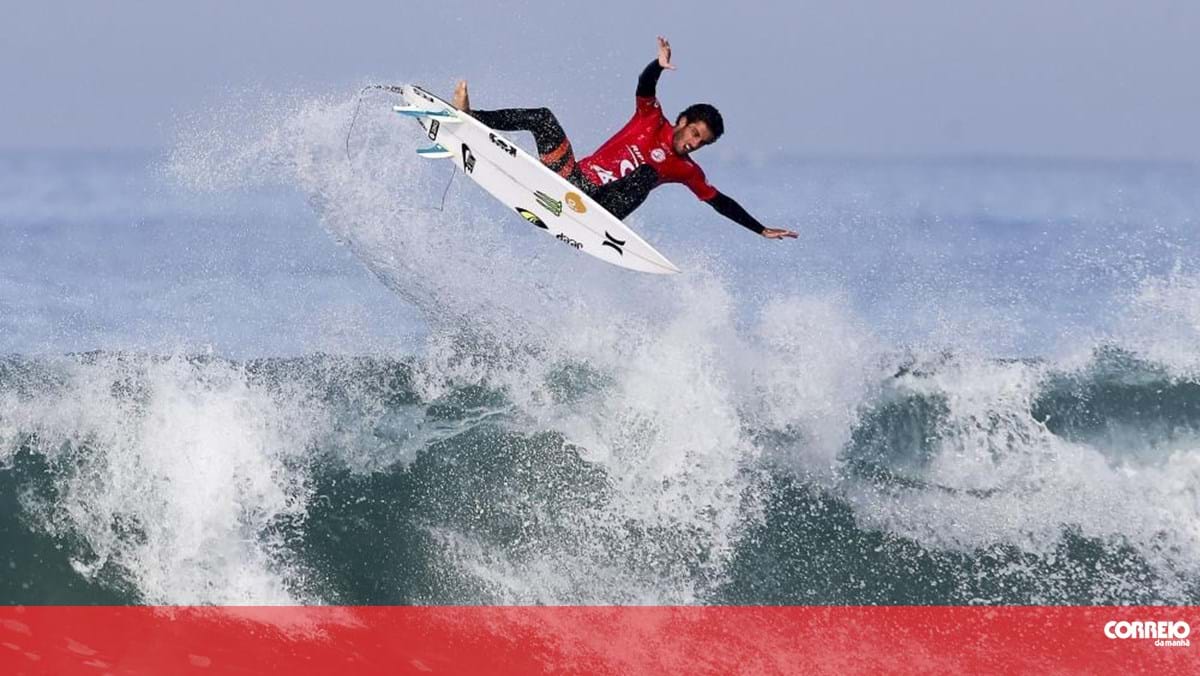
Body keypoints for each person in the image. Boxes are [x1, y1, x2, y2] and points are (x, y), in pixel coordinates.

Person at [454, 36, 798, 240]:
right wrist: (658, 64)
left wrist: (760, 228)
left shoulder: (685, 169)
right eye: (695, 133)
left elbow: (718, 200)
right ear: (682, 122)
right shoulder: (650, 119)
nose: (694, 144)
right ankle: (470, 118)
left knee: (649, 174)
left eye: (701, 143)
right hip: (570, 179)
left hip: (598, 206)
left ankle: (593, 217)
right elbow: (645, 85)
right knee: (543, 118)